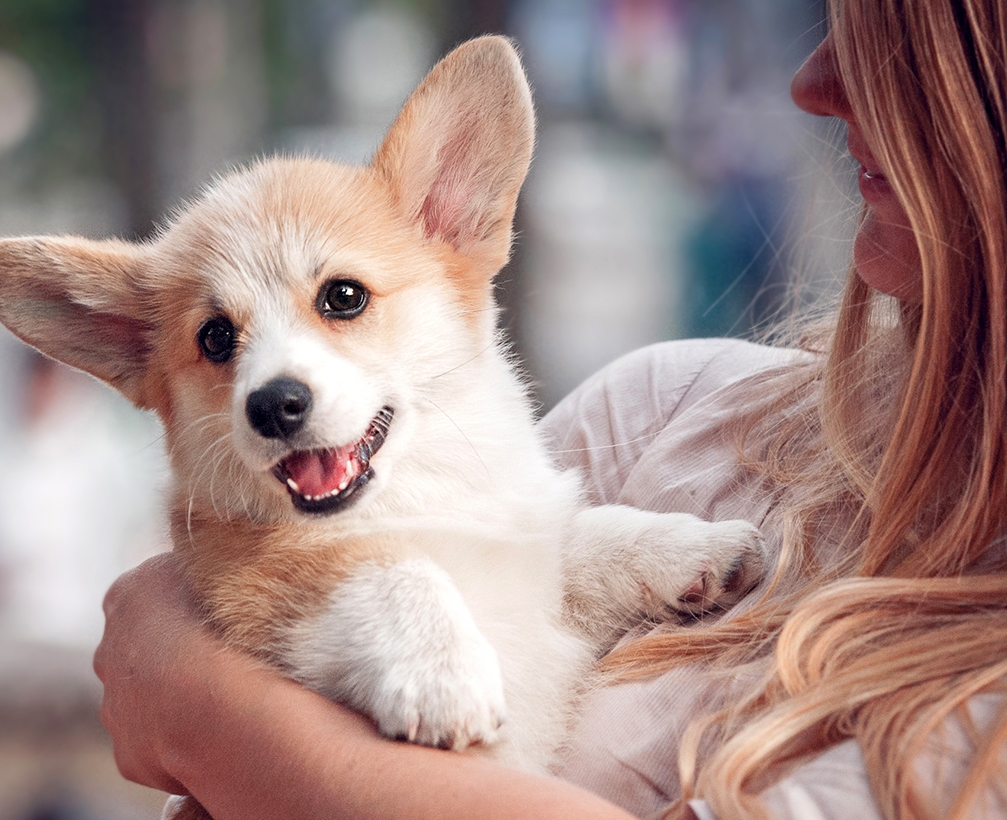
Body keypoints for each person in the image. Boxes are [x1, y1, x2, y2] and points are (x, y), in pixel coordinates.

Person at [92, 0, 1007, 817]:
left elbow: (190, 681)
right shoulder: (664, 415)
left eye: (341, 300)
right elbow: (525, 566)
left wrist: (205, 711)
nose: (813, 81)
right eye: (219, 340)